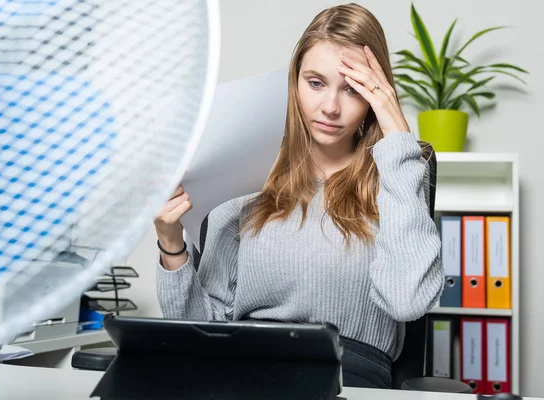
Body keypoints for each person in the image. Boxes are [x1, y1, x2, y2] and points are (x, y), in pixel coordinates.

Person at [153, 3, 444, 390]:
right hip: (241, 375)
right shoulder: (244, 181)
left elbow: (407, 301)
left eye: (353, 89)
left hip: (347, 379)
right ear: (293, 84)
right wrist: (171, 243)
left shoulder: (396, 180)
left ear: (377, 97)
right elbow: (201, 331)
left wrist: (397, 135)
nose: (330, 107)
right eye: (316, 82)